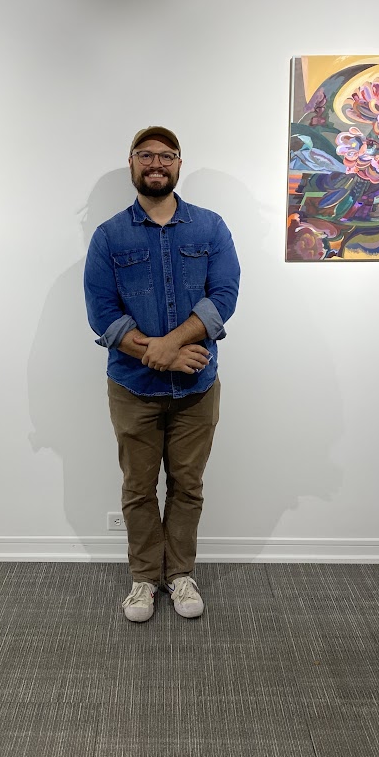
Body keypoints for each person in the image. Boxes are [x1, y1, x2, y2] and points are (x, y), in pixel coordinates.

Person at [83, 126, 240, 623]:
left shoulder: (211, 228)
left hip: (197, 385)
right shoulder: (109, 236)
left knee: (188, 484)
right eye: (146, 155)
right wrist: (163, 355)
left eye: (166, 156)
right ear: (131, 163)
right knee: (138, 486)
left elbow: (225, 297)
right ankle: (144, 580)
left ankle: (181, 575)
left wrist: (172, 345)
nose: (156, 163)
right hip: (132, 386)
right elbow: (102, 313)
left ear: (178, 163)